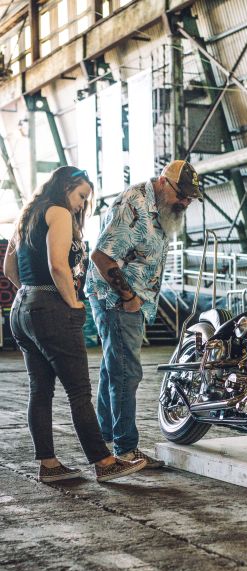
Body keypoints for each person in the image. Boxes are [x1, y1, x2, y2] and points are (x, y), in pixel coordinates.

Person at [3, 166, 147, 483]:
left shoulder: (28, 214)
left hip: (23, 308)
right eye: (81, 196)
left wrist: (31, 294)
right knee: (79, 392)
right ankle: (104, 461)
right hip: (52, 309)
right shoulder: (58, 212)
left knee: (40, 391)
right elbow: (58, 265)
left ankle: (50, 465)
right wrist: (71, 302)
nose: (82, 204)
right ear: (66, 187)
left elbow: (9, 267)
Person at [86, 160, 202, 464]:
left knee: (114, 367)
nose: (186, 202)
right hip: (115, 298)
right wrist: (128, 297)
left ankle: (104, 436)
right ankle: (125, 449)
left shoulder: (162, 209)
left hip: (132, 299)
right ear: (163, 182)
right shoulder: (134, 203)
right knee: (127, 372)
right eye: (182, 195)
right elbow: (100, 254)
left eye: (190, 197)